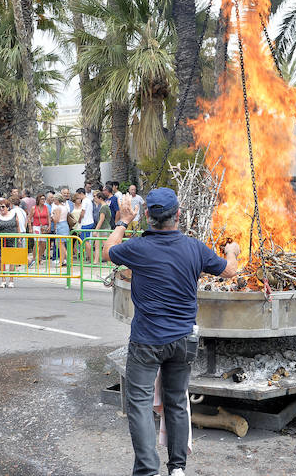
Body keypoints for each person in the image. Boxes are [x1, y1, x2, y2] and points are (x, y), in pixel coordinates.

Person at [102, 188, 239, 476]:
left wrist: (123, 221)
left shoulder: (137, 248)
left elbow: (107, 251)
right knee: (177, 400)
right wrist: (232, 251)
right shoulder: (194, 248)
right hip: (183, 341)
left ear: (148, 216)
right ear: (178, 215)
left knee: (139, 404)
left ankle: (148, 470)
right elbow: (229, 271)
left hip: (146, 342)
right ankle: (177, 469)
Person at [0, 198, 21, 288]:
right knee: (2, 261)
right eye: (0, 207)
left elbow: (18, 226)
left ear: (7, 207)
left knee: (12, 260)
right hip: (1, 240)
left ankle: (11, 280)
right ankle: (3, 280)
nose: (1, 209)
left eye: (3, 207)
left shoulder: (14, 214)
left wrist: (19, 237)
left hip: (13, 240)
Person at [28, 192, 51, 266]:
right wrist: (30, 228)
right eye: (42, 199)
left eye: (44, 199)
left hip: (44, 227)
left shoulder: (46, 207)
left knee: (43, 243)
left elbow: (48, 217)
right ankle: (34, 258)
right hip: (36, 226)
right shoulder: (33, 208)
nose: (43, 200)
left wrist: (49, 225)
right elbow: (29, 218)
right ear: (38, 200)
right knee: (37, 242)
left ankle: (40, 257)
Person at [51, 193, 71, 267]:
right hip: (65, 225)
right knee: (62, 244)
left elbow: (56, 219)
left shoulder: (57, 208)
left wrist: (53, 215)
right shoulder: (65, 207)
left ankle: (68, 259)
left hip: (60, 226)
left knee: (61, 245)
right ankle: (62, 260)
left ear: (57, 200)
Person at [94, 190, 113, 263]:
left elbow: (101, 220)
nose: (95, 200)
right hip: (103, 228)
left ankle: (110, 261)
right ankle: (96, 261)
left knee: (106, 245)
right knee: (97, 245)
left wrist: (96, 230)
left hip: (104, 228)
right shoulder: (105, 206)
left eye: (96, 198)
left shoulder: (103, 207)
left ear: (100, 198)